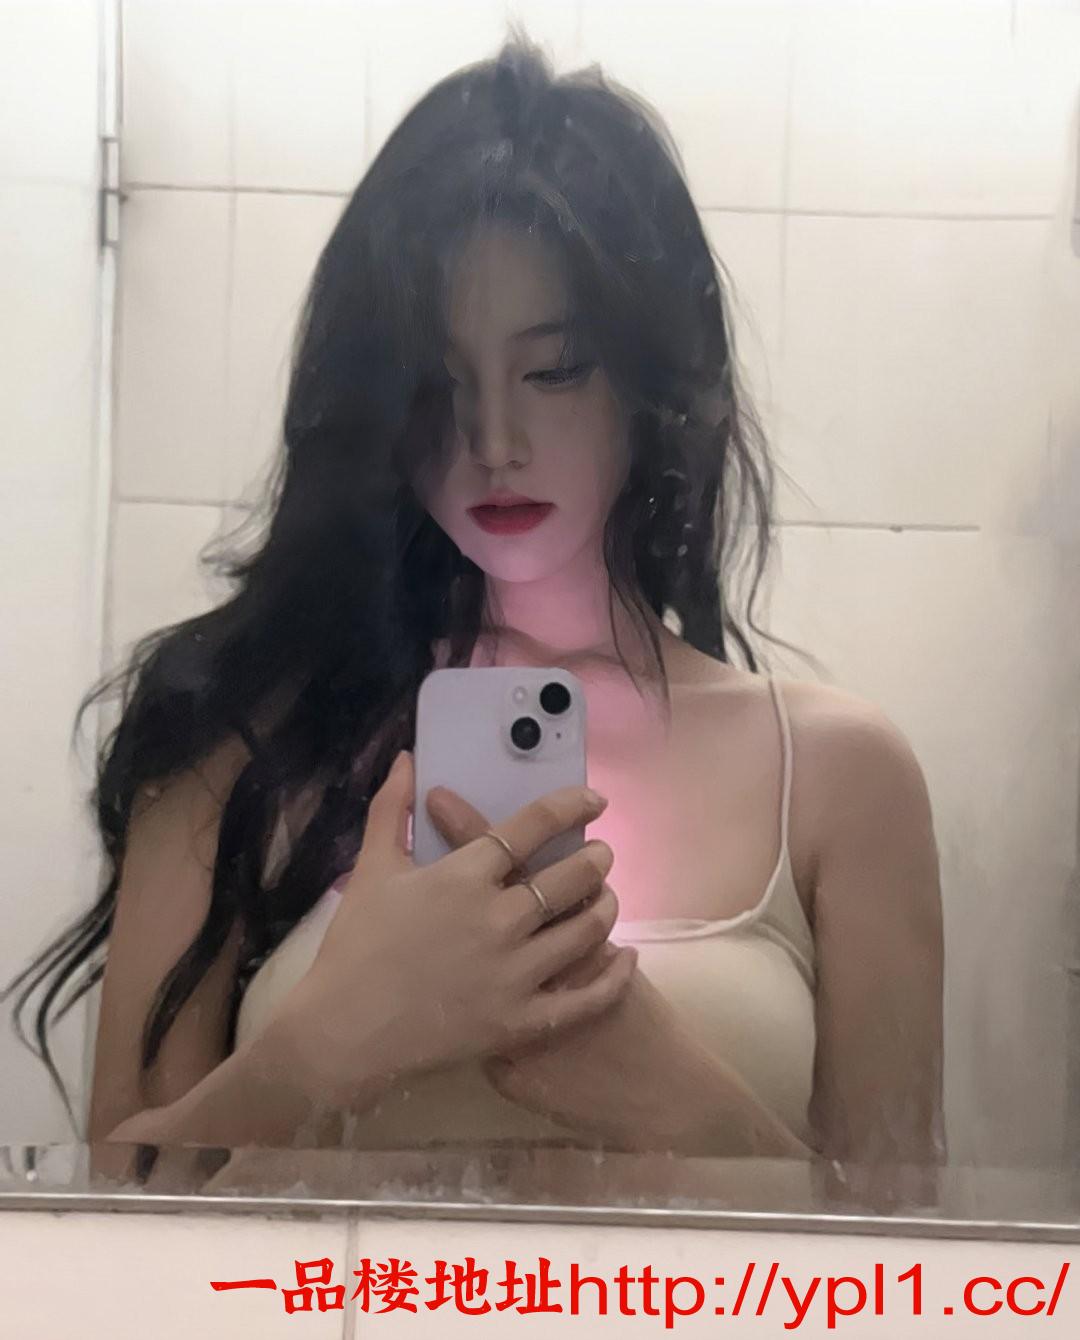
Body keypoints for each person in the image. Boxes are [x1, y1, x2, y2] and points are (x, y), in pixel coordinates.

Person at [5, 32, 944, 1185]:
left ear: (653, 385)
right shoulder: (241, 733)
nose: (494, 440)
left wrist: (674, 1095)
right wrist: (328, 1044)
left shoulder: (840, 777)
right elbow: (109, 1218)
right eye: (436, 384)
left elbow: (914, 1255)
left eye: (554, 370)